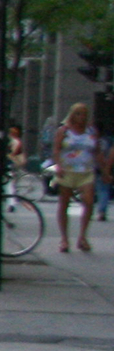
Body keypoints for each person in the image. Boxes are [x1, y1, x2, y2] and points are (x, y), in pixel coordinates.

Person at [49, 101, 99, 253]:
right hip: (67, 171)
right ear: (72, 114)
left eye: (84, 113)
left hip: (86, 171)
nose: (81, 117)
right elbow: (56, 149)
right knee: (64, 203)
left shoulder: (91, 131)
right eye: (78, 113)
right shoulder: (64, 130)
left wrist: (105, 170)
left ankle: (82, 237)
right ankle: (64, 239)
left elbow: (97, 151)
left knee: (89, 202)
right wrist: (58, 166)